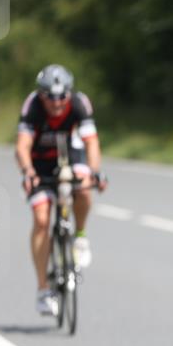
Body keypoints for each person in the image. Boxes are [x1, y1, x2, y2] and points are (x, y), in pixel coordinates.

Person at [15, 64, 107, 317]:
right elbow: (22, 147)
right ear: (41, 95)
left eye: (61, 97)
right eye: (50, 97)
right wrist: (28, 173)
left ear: (69, 94)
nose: (56, 103)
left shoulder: (79, 104)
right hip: (40, 163)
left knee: (84, 186)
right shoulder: (32, 106)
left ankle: (79, 235)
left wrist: (95, 172)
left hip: (70, 154)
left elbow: (92, 143)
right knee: (42, 219)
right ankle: (44, 289)